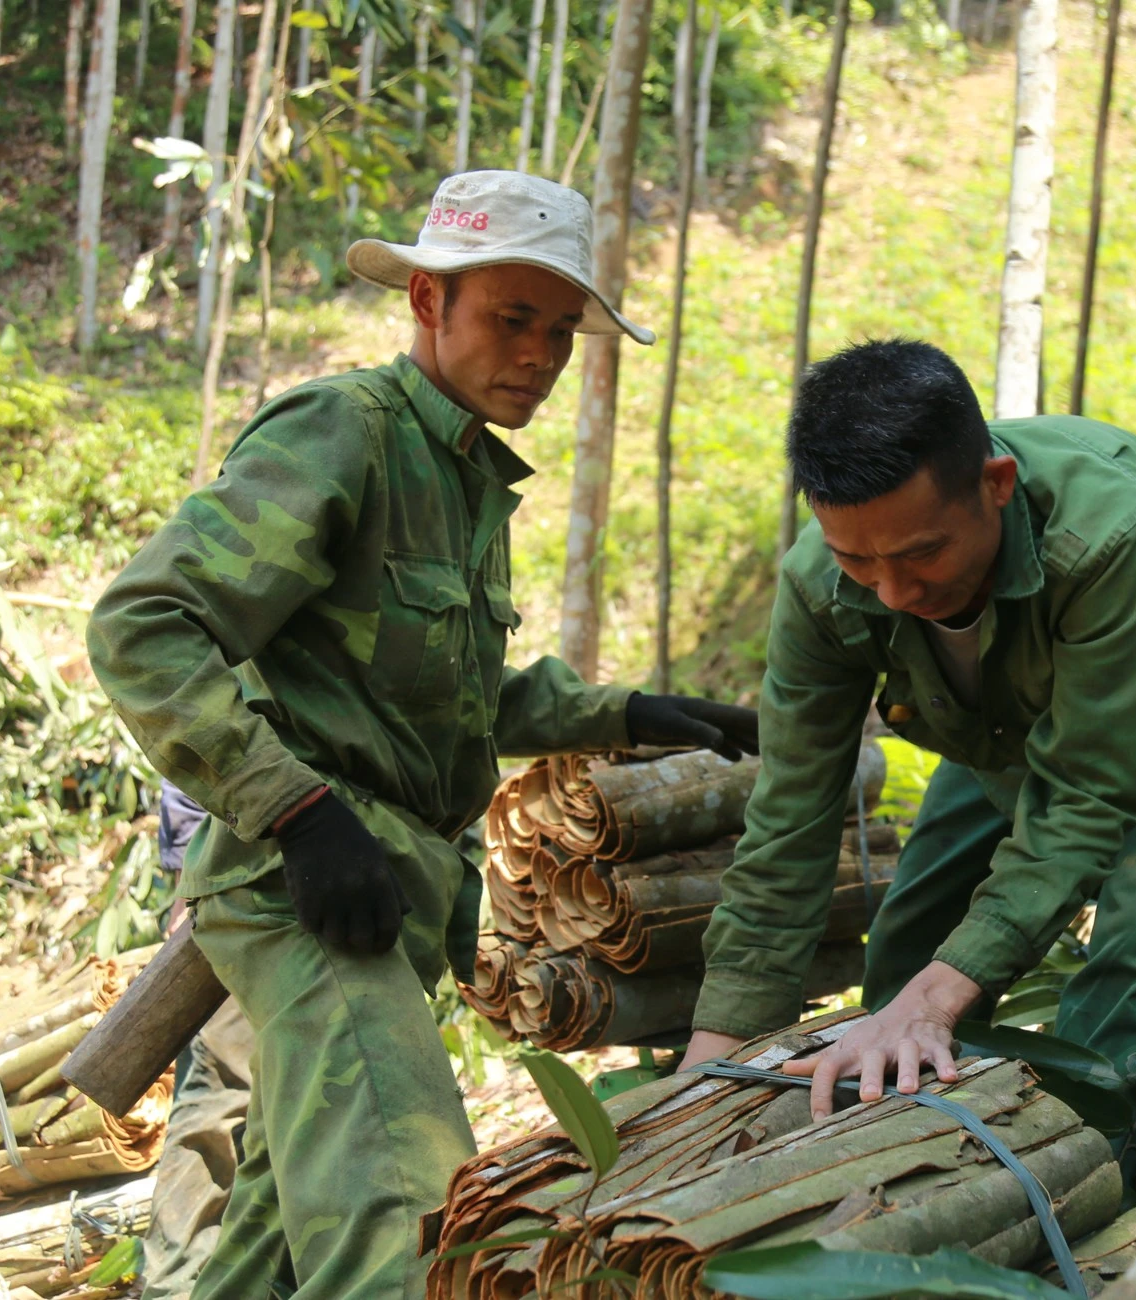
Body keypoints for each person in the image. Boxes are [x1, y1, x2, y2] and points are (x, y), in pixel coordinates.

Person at [88, 171, 757, 1300]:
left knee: (267, 1252)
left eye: (558, 331)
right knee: (417, 1240)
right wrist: (300, 815)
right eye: (511, 319)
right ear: (427, 303)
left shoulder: (463, 478)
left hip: (389, 902)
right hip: (308, 902)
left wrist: (629, 715)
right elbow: (143, 626)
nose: (540, 354)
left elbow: (443, 699)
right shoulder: (346, 433)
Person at [680, 339, 1136, 1183]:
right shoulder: (822, 588)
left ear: (995, 487)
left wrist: (938, 1003)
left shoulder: (1104, 530)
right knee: (909, 942)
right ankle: (910, 1169)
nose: (892, 593)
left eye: (920, 555)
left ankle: (1096, 1180)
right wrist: (713, 1060)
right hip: (1015, 718)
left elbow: (1085, 796)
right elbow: (790, 819)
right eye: (857, 560)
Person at [139, 781, 259, 1300]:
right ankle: (180, 1286)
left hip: (342, 867)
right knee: (221, 1091)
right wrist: (196, 872)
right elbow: (192, 725)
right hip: (240, 876)